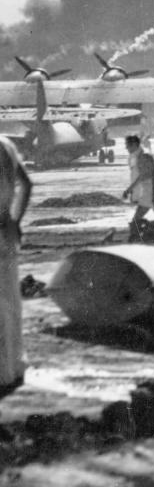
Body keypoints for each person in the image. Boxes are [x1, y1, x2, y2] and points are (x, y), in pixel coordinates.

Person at [0, 136, 31, 399]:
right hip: (6, 230)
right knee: (9, 301)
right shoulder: (7, 147)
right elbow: (27, 184)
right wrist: (16, 220)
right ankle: (10, 369)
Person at [122, 135, 154, 241]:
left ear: (135, 145)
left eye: (128, 146)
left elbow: (153, 175)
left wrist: (153, 193)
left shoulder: (144, 157)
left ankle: (134, 239)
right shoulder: (137, 157)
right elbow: (141, 176)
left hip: (149, 192)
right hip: (149, 191)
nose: (126, 148)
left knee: (136, 219)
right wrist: (130, 190)